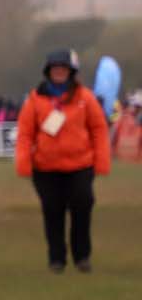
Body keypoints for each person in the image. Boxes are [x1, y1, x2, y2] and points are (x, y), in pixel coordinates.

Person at [15, 50, 110, 273]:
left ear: (71, 72)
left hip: (80, 165)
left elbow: (98, 129)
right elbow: (25, 132)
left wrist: (102, 160)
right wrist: (23, 161)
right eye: (55, 68)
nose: (59, 72)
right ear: (49, 71)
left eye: (63, 68)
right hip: (46, 168)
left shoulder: (85, 98)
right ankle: (56, 259)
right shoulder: (35, 99)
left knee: (83, 206)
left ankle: (82, 256)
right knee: (52, 211)